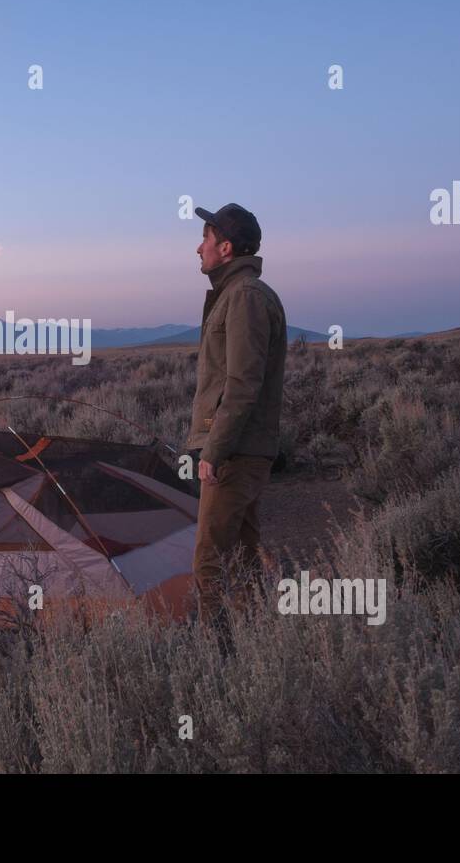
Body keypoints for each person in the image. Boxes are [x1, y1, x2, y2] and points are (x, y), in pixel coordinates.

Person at [185, 202, 287, 627]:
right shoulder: (238, 293)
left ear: (225, 247)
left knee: (209, 558)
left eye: (206, 240)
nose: (198, 248)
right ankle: (257, 641)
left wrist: (215, 449)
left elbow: (243, 384)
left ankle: (213, 653)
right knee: (244, 553)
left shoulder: (243, 297)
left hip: (235, 453)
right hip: (243, 450)